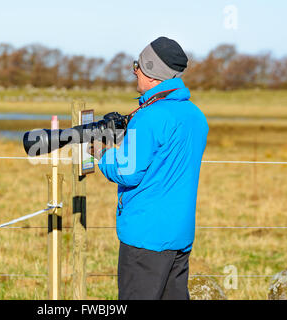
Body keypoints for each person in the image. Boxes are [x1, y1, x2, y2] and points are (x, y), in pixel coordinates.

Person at [88, 36, 209, 300]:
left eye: (137, 66)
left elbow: (128, 171)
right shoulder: (195, 115)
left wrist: (101, 154)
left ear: (152, 72)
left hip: (146, 236)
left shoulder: (149, 116)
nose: (135, 72)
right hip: (180, 234)